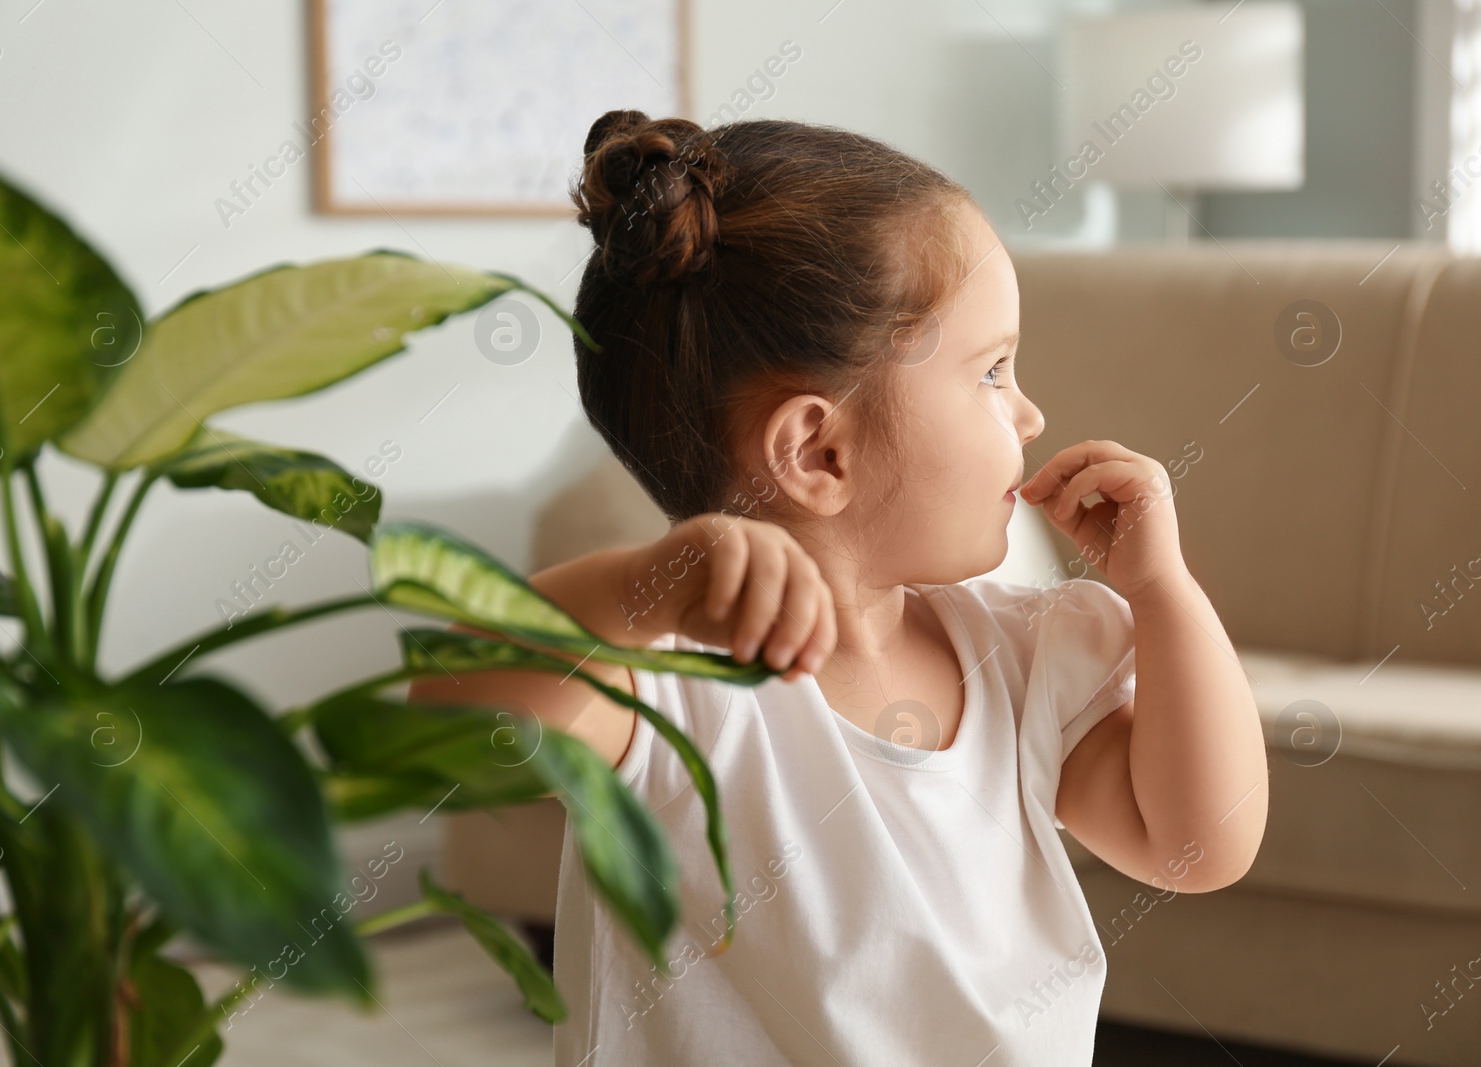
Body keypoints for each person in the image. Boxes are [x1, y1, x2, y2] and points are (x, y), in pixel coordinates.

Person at [416, 110, 1268, 1066]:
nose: (1030, 413)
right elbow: (444, 713)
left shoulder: (1026, 657)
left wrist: (1165, 592)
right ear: (819, 451)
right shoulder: (670, 690)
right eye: (992, 371)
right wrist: (641, 587)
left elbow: (1199, 845)